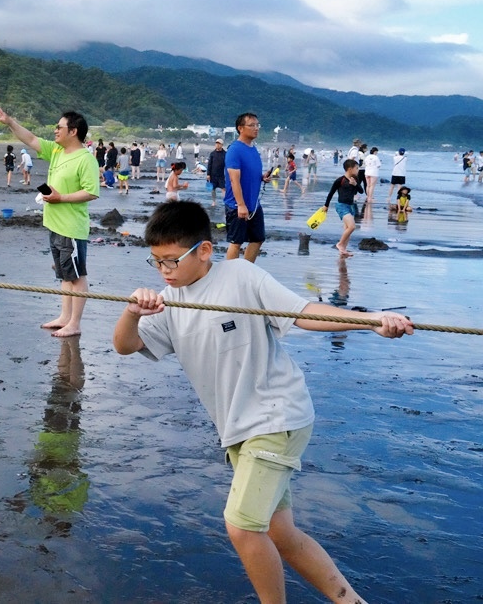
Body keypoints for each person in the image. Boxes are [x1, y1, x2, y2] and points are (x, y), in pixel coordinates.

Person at [112, 200, 414, 604]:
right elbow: (126, 345)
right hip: (238, 427)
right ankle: (349, 600)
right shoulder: (170, 303)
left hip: (276, 416)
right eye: (156, 262)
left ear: (203, 250)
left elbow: (303, 313)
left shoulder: (240, 276)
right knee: (278, 532)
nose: (164, 271)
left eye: (171, 260)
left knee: (241, 526)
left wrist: (371, 319)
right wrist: (132, 313)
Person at [0, 104, 99, 338]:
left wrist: (61, 198)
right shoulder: (57, 151)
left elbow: (91, 192)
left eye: (59, 127)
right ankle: (64, 317)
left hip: (72, 227)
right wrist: (9, 122)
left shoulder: (86, 159)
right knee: (64, 274)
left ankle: (75, 323)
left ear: (73, 131)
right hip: (54, 224)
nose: (55, 130)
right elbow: (30, 138)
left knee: (77, 275)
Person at [224, 113, 267, 262]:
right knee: (236, 242)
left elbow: (250, 173)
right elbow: (234, 180)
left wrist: (262, 178)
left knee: (258, 239)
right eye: (252, 125)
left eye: (257, 125)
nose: (256, 128)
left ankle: (247, 270)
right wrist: (241, 205)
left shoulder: (253, 149)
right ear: (240, 128)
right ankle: (231, 275)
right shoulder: (235, 150)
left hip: (254, 204)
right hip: (237, 204)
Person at [319, 159, 363, 258]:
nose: (358, 170)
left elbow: (361, 191)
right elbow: (331, 193)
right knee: (352, 227)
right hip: (341, 206)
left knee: (347, 229)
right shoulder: (340, 180)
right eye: (356, 168)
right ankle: (340, 244)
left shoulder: (355, 180)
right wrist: (326, 205)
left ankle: (343, 250)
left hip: (351, 206)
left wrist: (355, 184)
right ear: (350, 169)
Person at [206, 138, 226, 205]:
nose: (217, 145)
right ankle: (214, 202)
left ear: (222, 145)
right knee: (213, 189)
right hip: (213, 174)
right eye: (216, 143)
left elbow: (227, 164)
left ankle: (225, 202)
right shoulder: (212, 153)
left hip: (221, 175)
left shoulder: (225, 154)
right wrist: (208, 174)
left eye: (219, 143)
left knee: (223, 188)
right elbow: (209, 164)